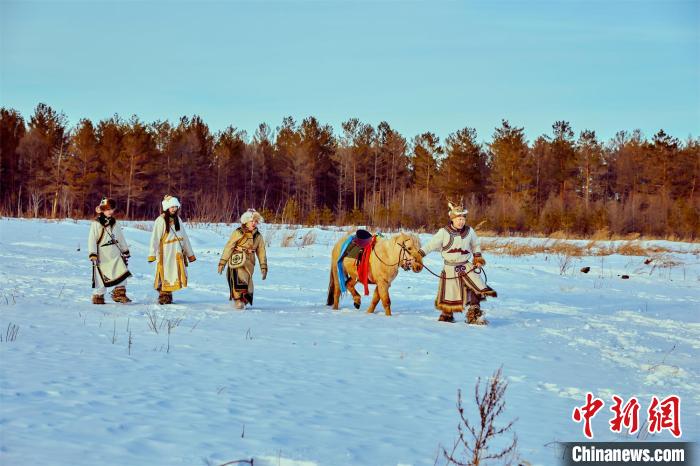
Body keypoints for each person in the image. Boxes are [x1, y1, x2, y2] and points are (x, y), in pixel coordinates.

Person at [418, 200, 497, 324]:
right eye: (458, 219)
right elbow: (430, 245)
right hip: (450, 267)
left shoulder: (470, 231)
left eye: (463, 219)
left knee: (476, 286)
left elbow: (475, 244)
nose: (461, 221)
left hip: (466, 265)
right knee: (450, 293)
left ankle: (474, 314)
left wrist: (477, 258)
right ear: (452, 219)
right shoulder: (443, 232)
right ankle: (447, 314)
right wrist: (418, 255)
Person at [148, 195, 196, 304]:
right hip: (165, 252)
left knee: (174, 274)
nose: (174, 209)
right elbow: (155, 238)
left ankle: (167, 294)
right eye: (172, 207)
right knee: (166, 273)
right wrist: (152, 254)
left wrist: (190, 254)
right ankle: (164, 295)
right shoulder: (160, 220)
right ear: (167, 208)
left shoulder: (178, 219)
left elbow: (184, 237)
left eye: (175, 206)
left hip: (177, 252)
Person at [217, 208, 268, 309]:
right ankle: (238, 301)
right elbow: (229, 246)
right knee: (239, 279)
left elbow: (261, 251)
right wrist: (222, 262)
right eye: (252, 221)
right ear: (246, 221)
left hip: (250, 263)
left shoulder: (258, 236)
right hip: (237, 260)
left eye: (256, 221)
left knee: (248, 283)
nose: (254, 223)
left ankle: (243, 301)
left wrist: (263, 267)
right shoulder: (238, 232)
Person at [88, 197, 132, 304]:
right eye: (108, 209)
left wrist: (125, 250)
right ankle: (98, 296)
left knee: (122, 272)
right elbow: (92, 239)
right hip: (103, 255)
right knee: (102, 277)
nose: (110, 212)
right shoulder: (96, 223)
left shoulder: (115, 223)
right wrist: (93, 253)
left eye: (112, 209)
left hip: (115, 253)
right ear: (102, 210)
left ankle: (119, 294)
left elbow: (120, 237)